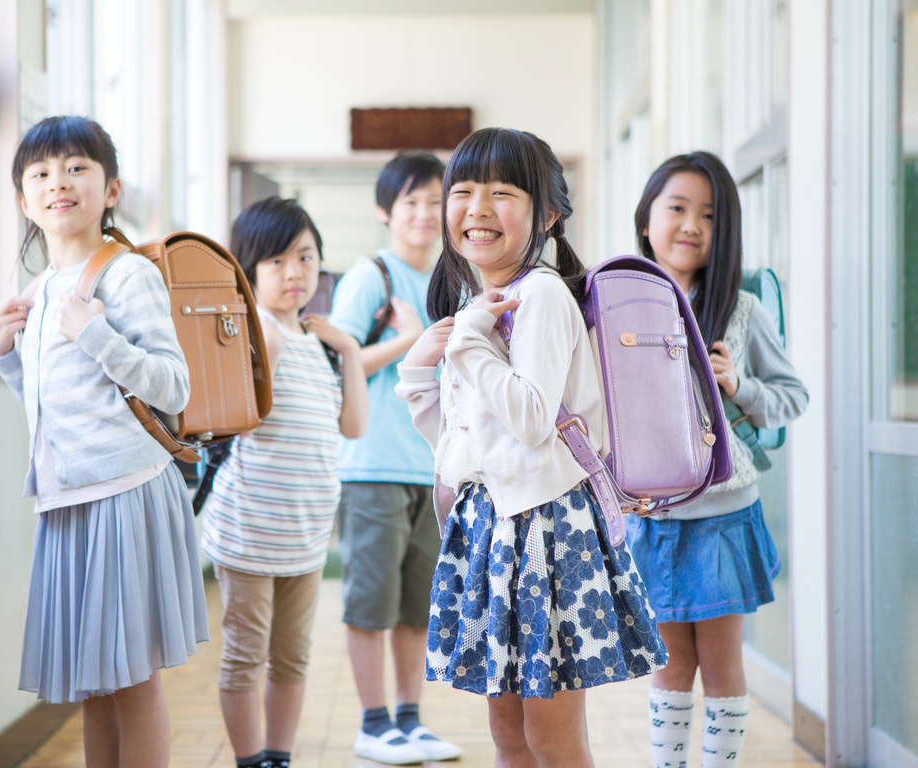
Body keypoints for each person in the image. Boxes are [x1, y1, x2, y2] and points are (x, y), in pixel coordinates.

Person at [396, 127, 669, 768]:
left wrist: (467, 343)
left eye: (502, 191)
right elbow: (466, 445)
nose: (478, 207)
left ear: (547, 213)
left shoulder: (540, 293)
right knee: (508, 728)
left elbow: (529, 418)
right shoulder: (481, 304)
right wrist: (417, 375)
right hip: (495, 524)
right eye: (462, 191)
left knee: (549, 731)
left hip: (547, 526)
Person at [0, 115, 209, 768]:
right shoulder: (39, 290)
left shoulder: (127, 274)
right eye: (41, 173)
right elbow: (57, 409)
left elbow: (173, 387)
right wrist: (5, 357)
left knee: (133, 681)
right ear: (24, 199)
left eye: (77, 167)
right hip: (69, 500)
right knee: (94, 688)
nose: (59, 182)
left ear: (111, 190)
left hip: (126, 495)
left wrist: (96, 336)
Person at [628, 151, 809, 768]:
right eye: (676, 208)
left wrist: (742, 387)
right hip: (650, 516)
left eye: (709, 214)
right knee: (671, 666)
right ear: (646, 219)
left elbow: (793, 398)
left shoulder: (740, 310)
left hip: (725, 515)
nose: (691, 225)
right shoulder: (617, 304)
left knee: (723, 664)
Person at [201, 197, 369, 768]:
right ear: (248, 272)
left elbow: (354, 425)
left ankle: (279, 755)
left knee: (293, 658)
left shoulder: (320, 346)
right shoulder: (253, 336)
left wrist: (348, 349)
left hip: (306, 537)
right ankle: (252, 761)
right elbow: (237, 414)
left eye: (304, 256)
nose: (293, 272)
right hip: (250, 533)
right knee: (245, 657)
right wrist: (262, 343)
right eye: (275, 261)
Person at [329, 151, 463, 763]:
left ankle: (409, 721)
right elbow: (337, 361)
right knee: (370, 603)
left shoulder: (448, 281)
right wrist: (410, 340)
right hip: (373, 466)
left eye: (434, 201)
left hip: (431, 469)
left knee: (417, 607)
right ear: (386, 211)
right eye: (410, 201)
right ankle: (372, 721)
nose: (424, 214)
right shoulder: (370, 277)